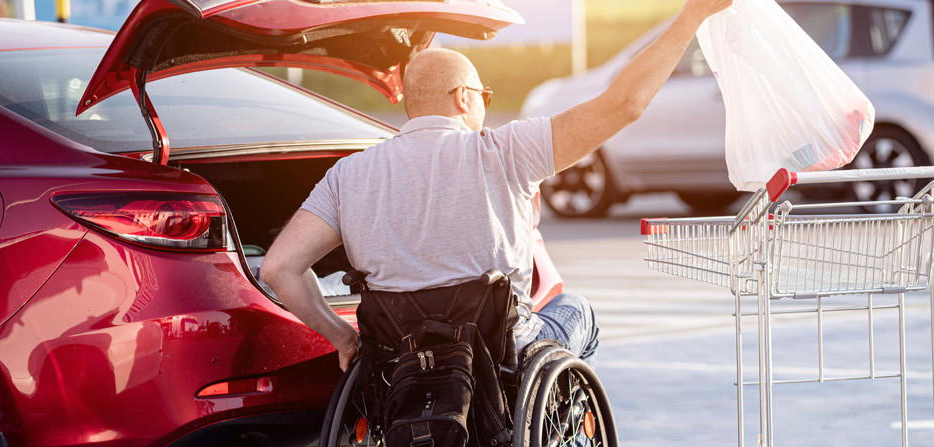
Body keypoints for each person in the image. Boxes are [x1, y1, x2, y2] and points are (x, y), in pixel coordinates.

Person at [262, 0, 735, 371]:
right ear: (463, 97)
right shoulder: (505, 151)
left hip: (398, 359)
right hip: (501, 351)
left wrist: (343, 337)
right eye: (484, 96)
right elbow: (624, 104)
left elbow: (280, 268)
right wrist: (693, 14)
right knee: (578, 311)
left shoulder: (348, 175)